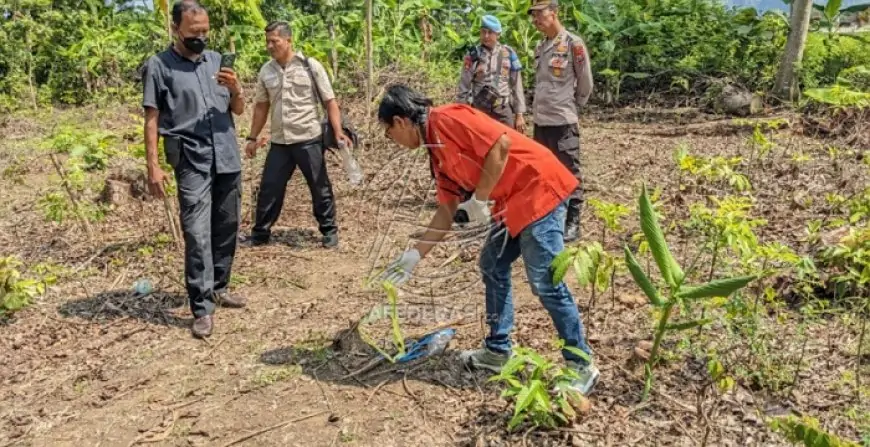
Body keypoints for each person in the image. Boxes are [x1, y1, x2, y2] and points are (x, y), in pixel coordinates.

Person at [374, 84, 599, 395]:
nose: (393, 141)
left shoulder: (448, 119)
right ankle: (497, 350)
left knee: (545, 280)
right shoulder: (435, 154)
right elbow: (447, 209)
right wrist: (413, 256)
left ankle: (580, 363)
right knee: (492, 264)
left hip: (537, 188)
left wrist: (479, 198)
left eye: (389, 134)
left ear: (399, 121)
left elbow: (501, 145)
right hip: (511, 203)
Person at [142, 0, 247, 338]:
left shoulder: (216, 60)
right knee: (197, 232)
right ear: (176, 29)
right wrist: (153, 166)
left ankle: (218, 285)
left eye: (205, 31)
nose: (200, 37)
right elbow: (152, 119)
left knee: (227, 224)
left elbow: (239, 109)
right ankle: (201, 306)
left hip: (226, 153)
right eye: (193, 32)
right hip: (190, 158)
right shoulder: (158, 66)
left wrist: (235, 89)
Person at [244, 21, 351, 249]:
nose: (270, 46)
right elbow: (261, 107)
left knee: (319, 187)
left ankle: (329, 231)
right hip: (280, 142)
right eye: (268, 42)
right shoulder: (266, 70)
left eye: (275, 41)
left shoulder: (310, 66)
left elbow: (329, 101)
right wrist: (252, 137)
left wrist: (339, 132)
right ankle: (260, 234)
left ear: (289, 40)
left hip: (308, 138)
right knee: (269, 188)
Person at [528, 0, 594, 243]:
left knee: (569, 170)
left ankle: (573, 221)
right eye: (533, 16)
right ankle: (549, 216)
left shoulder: (573, 44)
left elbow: (585, 82)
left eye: (539, 14)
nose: (535, 20)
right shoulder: (541, 46)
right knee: (544, 171)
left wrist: (573, 106)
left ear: (553, 13)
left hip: (563, 121)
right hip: (541, 121)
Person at [457, 14, 526, 132]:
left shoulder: (508, 53)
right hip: (480, 110)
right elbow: (464, 85)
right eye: (483, 32)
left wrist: (519, 114)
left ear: (498, 34)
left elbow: (516, 85)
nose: (486, 36)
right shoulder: (473, 55)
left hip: (503, 110)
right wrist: (462, 112)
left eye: (490, 33)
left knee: (509, 145)